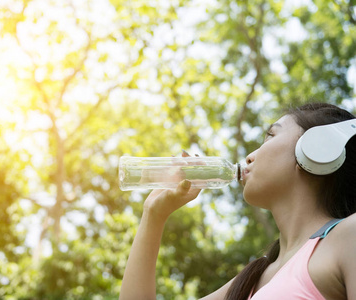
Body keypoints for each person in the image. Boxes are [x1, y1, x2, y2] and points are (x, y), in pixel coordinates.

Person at [119, 102, 356, 300]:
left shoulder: (348, 236)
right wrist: (154, 215)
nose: (250, 156)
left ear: (317, 149)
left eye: (270, 136)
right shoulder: (253, 279)